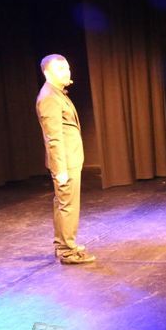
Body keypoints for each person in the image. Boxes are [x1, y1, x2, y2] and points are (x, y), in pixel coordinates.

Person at [35, 54, 96, 264]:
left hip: (70, 159)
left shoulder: (57, 94)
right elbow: (53, 137)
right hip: (65, 162)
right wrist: (60, 169)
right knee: (68, 206)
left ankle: (63, 245)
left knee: (63, 204)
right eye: (60, 69)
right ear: (47, 73)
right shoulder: (49, 97)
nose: (66, 72)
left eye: (67, 68)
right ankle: (68, 252)